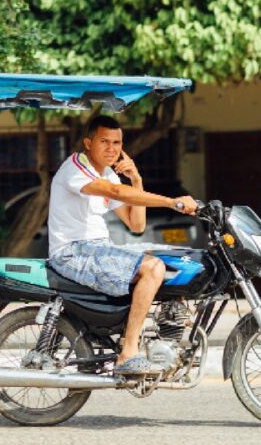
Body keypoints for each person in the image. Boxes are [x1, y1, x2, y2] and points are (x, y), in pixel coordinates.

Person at [47, 115, 198, 374]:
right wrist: (172, 202)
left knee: (178, 259)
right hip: (72, 251)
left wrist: (136, 180)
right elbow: (115, 193)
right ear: (88, 143)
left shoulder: (108, 174)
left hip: (97, 247)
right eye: (104, 141)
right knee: (152, 268)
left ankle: (169, 330)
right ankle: (128, 351)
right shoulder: (75, 167)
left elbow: (135, 225)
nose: (112, 149)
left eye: (117, 143)